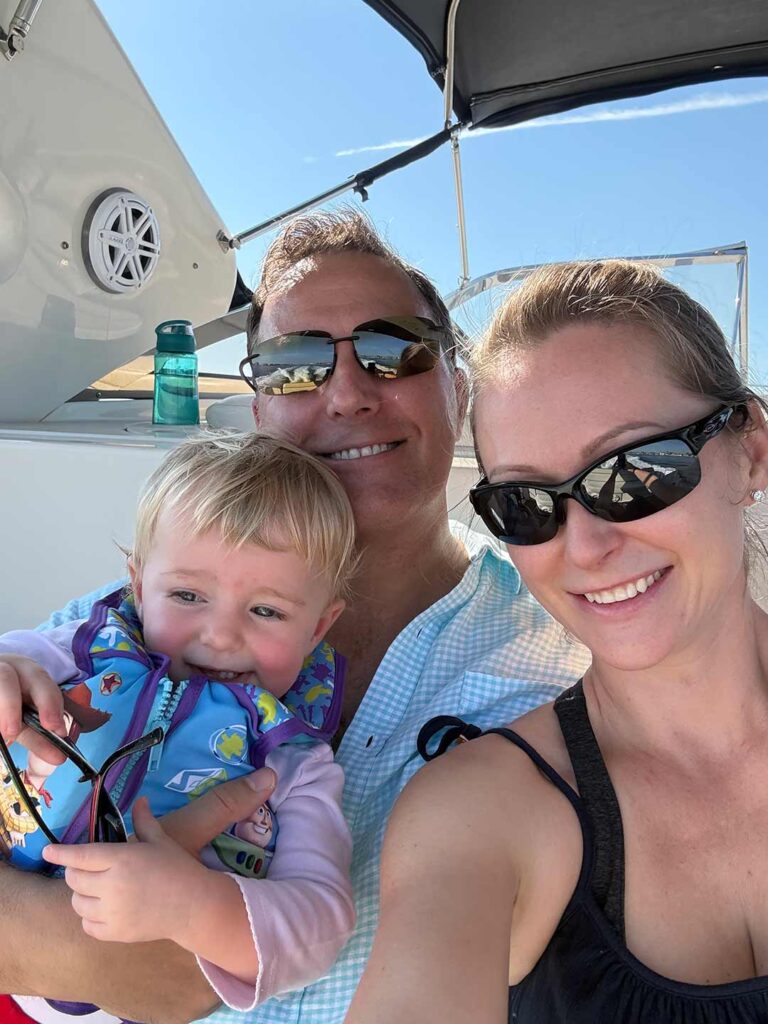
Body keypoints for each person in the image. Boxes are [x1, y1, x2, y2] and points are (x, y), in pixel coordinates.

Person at [0, 210, 588, 1024]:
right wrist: (66, 945)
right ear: (258, 405)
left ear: (458, 382)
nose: (347, 393)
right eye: (295, 366)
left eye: (394, 351)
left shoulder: (561, 652)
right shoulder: (136, 620)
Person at [346, 259, 768, 1024]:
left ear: (752, 451)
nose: (587, 545)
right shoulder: (480, 813)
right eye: (526, 503)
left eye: (636, 471)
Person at [0, 432, 357, 1022]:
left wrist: (195, 908)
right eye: (188, 594)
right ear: (139, 589)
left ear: (318, 629)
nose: (219, 635)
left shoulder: (291, 762)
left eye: (266, 610)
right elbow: (13, 655)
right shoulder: (83, 653)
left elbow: (320, 918)